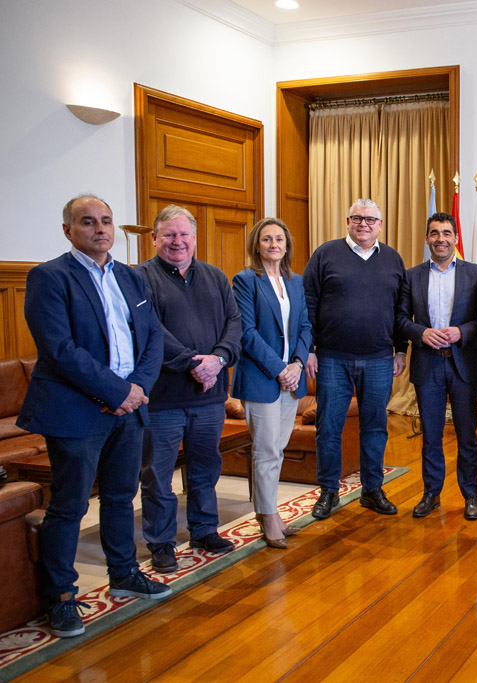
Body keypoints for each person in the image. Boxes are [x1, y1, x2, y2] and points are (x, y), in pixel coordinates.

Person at [18, 195, 171, 638]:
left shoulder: (130, 277)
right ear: (68, 230)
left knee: (121, 497)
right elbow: (59, 349)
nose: (100, 229)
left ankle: (123, 571)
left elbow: (153, 338)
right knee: (68, 506)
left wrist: (137, 389)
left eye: (106, 221)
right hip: (76, 410)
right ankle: (61, 596)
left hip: (129, 408)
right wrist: (117, 391)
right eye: (88, 222)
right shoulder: (48, 277)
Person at [137, 205, 242, 573]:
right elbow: (148, 330)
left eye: (184, 235)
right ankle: (161, 541)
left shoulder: (215, 276)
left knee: (205, 468)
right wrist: (192, 363)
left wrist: (218, 359)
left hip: (209, 397)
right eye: (169, 234)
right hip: (163, 399)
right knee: (157, 475)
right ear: (154, 238)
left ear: (195, 239)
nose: (177, 241)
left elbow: (234, 323)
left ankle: (204, 530)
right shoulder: (141, 278)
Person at [304, 198, 407, 519]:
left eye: (370, 219)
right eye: (357, 218)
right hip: (332, 358)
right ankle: (328, 492)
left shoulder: (392, 259)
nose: (364, 224)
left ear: (380, 225)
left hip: (379, 358)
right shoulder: (325, 254)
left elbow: (401, 308)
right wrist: (307, 348)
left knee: (376, 427)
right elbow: (307, 303)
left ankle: (372, 489)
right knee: (329, 427)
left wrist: (401, 348)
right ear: (347, 221)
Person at [397, 212, 477, 520]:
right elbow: (400, 320)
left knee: (467, 435)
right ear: (427, 239)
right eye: (434, 233)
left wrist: (462, 331)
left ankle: (470, 495)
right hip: (428, 364)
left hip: (465, 365)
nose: (441, 239)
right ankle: (431, 493)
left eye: (446, 233)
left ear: (455, 238)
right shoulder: (412, 276)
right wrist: (420, 332)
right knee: (431, 435)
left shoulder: (476, 274)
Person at [231, 218, 313, 548]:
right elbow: (246, 333)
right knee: (265, 450)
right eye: (267, 239)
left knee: (277, 449)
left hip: (291, 379)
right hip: (261, 379)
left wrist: (296, 363)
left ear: (287, 245)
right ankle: (267, 516)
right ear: (256, 245)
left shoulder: (295, 281)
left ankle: (269, 510)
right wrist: (280, 368)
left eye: (279, 239)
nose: (273, 244)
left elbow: (306, 325)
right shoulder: (246, 280)